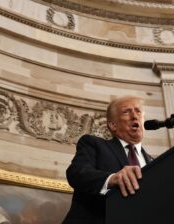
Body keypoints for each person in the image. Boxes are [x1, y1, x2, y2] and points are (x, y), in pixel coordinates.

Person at [63, 96, 153, 224]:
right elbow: (77, 173)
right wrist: (112, 178)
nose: (134, 116)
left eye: (138, 111)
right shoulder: (94, 144)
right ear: (112, 125)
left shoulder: (154, 162)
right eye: (126, 111)